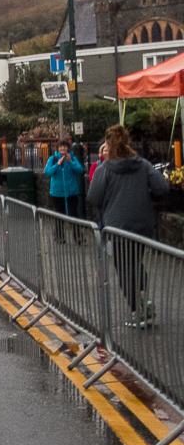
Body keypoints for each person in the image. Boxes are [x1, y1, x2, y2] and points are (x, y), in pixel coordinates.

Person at [87, 124, 169, 327]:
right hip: (143, 223)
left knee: (123, 267)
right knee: (135, 262)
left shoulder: (105, 168)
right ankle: (143, 301)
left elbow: (93, 197)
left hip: (118, 225)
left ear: (107, 143)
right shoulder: (142, 164)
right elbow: (162, 188)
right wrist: (145, 199)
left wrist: (111, 202)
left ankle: (137, 311)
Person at [44, 139, 85, 242]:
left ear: (68, 148)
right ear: (57, 149)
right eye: (61, 147)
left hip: (71, 191)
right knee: (59, 214)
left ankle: (78, 236)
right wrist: (57, 164)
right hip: (57, 192)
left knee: (73, 214)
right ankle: (59, 236)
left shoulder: (72, 158)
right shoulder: (52, 159)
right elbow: (47, 172)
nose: (63, 149)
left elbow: (80, 169)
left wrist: (70, 162)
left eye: (64, 147)